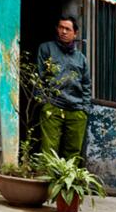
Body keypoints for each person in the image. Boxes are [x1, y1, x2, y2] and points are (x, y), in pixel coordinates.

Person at [37, 15, 91, 160]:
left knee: (73, 152)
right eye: (61, 28)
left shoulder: (81, 58)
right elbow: (40, 75)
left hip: (76, 110)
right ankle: (47, 182)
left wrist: (84, 108)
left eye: (67, 29)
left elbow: (86, 84)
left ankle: (66, 182)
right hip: (52, 106)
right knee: (49, 149)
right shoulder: (46, 49)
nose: (64, 32)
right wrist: (44, 101)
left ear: (75, 33)